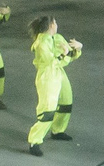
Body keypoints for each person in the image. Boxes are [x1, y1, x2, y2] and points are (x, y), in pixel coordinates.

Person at [24, 15, 83, 155]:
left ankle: (58, 130)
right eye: (55, 22)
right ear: (50, 26)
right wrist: (65, 54)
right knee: (47, 111)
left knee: (66, 102)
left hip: (58, 72)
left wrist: (78, 48)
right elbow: (52, 61)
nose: (57, 25)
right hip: (47, 76)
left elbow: (69, 55)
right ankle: (34, 142)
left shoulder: (57, 38)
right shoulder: (41, 44)